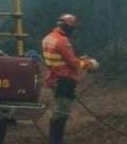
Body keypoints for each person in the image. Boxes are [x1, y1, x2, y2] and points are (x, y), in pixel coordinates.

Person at [42, 14, 100, 144]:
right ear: (67, 27)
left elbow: (62, 58)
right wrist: (89, 64)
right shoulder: (62, 41)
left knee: (58, 110)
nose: (73, 30)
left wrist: (78, 59)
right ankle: (56, 141)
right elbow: (73, 63)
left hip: (54, 77)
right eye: (72, 27)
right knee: (61, 113)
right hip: (65, 80)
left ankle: (55, 140)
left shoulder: (48, 38)